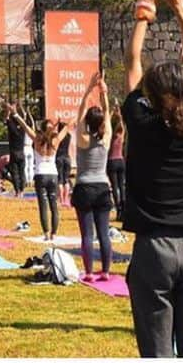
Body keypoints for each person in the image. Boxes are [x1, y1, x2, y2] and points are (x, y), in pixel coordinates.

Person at [123, 0, 183, 359]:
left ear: (152, 97)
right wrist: (179, 8)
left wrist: (146, 6)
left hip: (154, 250)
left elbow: (131, 62)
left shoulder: (142, 125)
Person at [71, 72, 113, 282]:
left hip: (84, 187)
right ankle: (105, 271)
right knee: (104, 232)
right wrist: (103, 92)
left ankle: (88, 272)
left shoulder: (82, 137)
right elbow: (107, 114)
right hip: (103, 187)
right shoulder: (105, 137)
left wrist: (88, 90)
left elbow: (79, 114)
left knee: (87, 234)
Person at [12, 110, 67, 242]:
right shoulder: (55, 140)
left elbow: (25, 126)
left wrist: (15, 115)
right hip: (53, 175)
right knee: (54, 205)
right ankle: (54, 234)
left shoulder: (37, 139)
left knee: (43, 205)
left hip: (40, 175)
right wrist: (62, 122)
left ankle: (47, 233)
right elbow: (67, 127)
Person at [3, 102, 28, 198]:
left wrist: (9, 111)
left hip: (14, 152)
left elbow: (6, 119)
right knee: (22, 172)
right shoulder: (22, 128)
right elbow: (24, 118)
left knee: (15, 173)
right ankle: (22, 190)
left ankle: (18, 191)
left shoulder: (12, 128)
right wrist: (18, 109)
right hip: (22, 152)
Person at [107, 111, 126, 221]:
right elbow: (122, 125)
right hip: (121, 161)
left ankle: (118, 208)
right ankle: (123, 209)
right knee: (122, 186)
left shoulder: (110, 137)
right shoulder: (121, 136)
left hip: (112, 161)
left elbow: (107, 126)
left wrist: (110, 114)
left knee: (114, 187)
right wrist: (119, 115)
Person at [56, 126, 73, 209]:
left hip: (59, 157)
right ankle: (66, 199)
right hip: (67, 157)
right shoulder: (69, 136)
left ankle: (61, 200)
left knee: (60, 180)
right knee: (66, 180)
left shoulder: (57, 137)